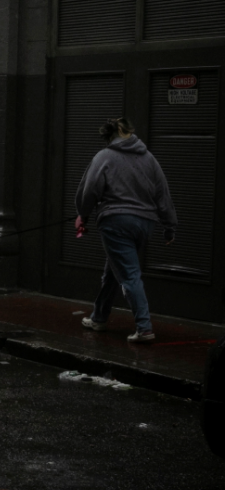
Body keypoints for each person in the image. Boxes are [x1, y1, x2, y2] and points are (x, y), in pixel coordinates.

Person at [75, 117, 177, 343]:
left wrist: (83, 215)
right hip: (145, 224)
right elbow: (163, 195)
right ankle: (99, 317)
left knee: (129, 274)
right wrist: (169, 227)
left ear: (109, 136)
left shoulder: (104, 157)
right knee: (113, 271)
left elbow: (89, 189)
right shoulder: (150, 159)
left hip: (116, 222)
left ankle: (144, 328)